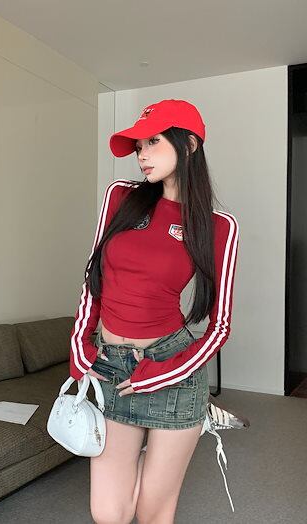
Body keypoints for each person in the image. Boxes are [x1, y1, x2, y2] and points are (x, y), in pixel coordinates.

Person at [69, 99, 240, 523]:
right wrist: (80, 345)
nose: (142, 155)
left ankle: (188, 423)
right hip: (112, 366)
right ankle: (175, 441)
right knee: (109, 513)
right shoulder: (121, 197)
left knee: (152, 512)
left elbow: (219, 326)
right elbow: (94, 277)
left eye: (154, 142)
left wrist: (164, 373)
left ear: (190, 145)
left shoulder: (219, 226)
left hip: (170, 368)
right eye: (138, 145)